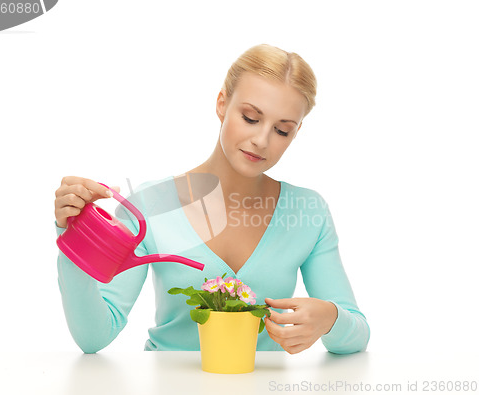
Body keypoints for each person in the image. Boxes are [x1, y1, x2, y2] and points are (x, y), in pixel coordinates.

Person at [54, 43, 370, 355]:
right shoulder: (150, 206)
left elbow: (356, 332)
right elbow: (93, 337)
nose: (261, 140)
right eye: (250, 117)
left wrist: (330, 318)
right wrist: (75, 242)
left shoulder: (307, 211)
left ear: (296, 132)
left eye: (282, 130)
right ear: (221, 103)